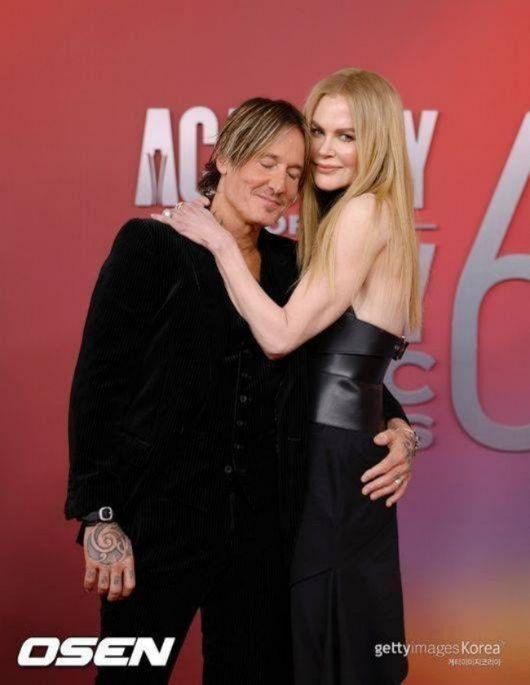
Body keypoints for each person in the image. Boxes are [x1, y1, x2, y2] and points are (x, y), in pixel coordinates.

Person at [65, 96, 415, 685]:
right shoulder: (152, 245)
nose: (280, 184)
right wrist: (100, 516)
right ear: (225, 157)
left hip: (263, 533)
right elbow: (99, 386)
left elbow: (330, 363)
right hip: (160, 522)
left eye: (295, 173)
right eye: (266, 162)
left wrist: (399, 425)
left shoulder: (291, 265)